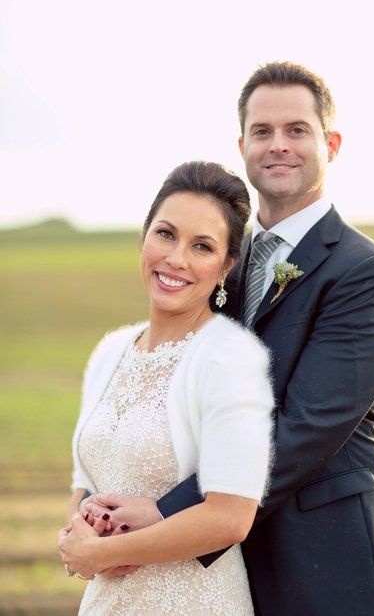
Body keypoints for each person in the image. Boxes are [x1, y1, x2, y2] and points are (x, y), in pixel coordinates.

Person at [79, 62, 374, 616]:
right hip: (223, 566)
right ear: (242, 144)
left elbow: (307, 425)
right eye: (262, 132)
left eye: (296, 130)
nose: (278, 146)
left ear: (330, 143)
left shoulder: (367, 273)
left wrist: (167, 513)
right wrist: (101, 516)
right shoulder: (218, 263)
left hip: (328, 560)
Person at [58, 161, 274, 614]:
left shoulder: (231, 357)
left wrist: (103, 554)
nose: (176, 259)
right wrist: (79, 531)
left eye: (202, 246)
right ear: (144, 236)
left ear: (225, 266)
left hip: (195, 600)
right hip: (107, 601)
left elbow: (230, 518)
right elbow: (85, 482)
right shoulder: (110, 349)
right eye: (166, 234)